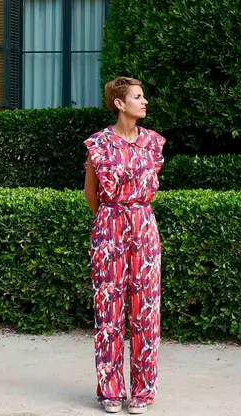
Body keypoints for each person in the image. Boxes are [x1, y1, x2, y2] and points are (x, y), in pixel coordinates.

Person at [83, 77, 166, 415]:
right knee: (109, 313)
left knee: (146, 312)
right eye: (137, 96)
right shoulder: (98, 144)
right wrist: (109, 218)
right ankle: (111, 391)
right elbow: (90, 193)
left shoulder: (155, 144)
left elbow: (152, 187)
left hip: (145, 227)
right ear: (119, 103)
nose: (144, 101)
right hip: (110, 227)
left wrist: (133, 214)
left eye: (143, 96)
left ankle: (143, 392)